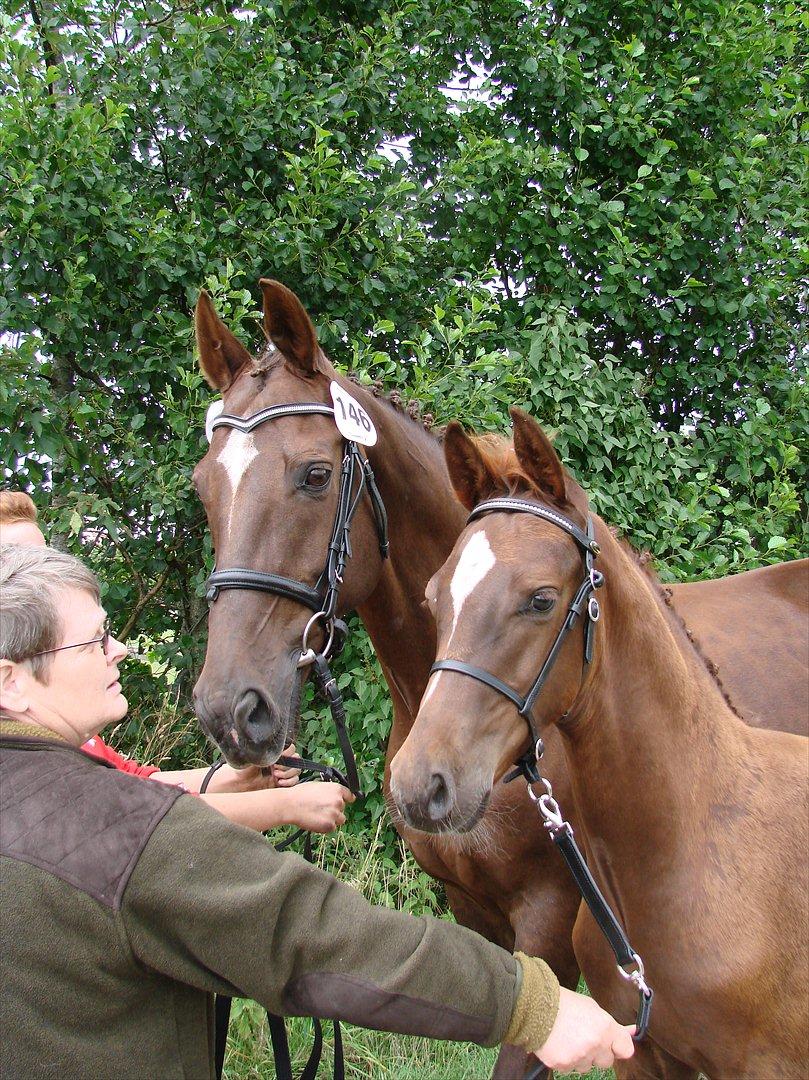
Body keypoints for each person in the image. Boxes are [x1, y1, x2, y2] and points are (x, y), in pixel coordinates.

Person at [0, 544, 635, 1078]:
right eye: (95, 640)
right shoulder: (109, 825)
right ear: (12, 681)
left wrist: (235, 782)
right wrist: (532, 1007)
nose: (118, 650)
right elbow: (313, 936)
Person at [0, 490, 351, 834]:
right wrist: (286, 806)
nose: (49, 578)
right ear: (10, 682)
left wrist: (236, 780)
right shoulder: (20, 762)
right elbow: (128, 814)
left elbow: (130, 782)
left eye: (44, 559)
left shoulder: (49, 730)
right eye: (20, 566)